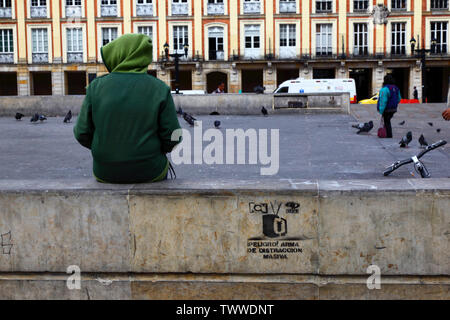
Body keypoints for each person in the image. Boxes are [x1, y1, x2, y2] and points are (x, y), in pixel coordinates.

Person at [73, 34, 182, 184]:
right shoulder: (159, 88)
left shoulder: (96, 87)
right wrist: (157, 150)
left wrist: (106, 148)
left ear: (118, 55)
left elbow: (81, 133)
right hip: (150, 170)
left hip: (105, 171)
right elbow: (174, 136)